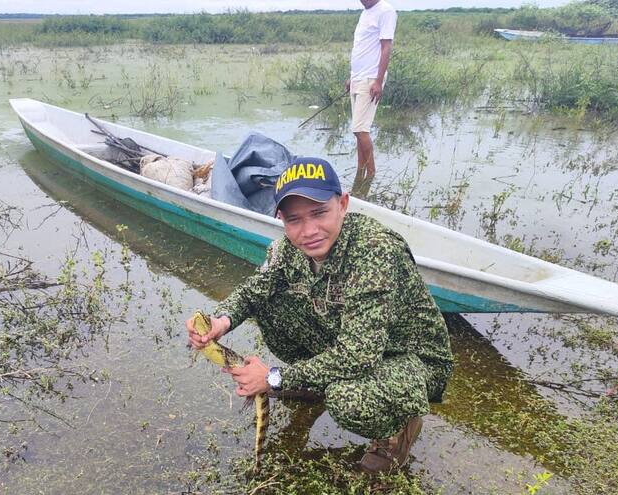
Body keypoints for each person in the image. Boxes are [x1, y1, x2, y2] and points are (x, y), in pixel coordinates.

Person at [186, 156, 453, 475]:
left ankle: (398, 427)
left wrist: (273, 377)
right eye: (294, 219)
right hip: (355, 342)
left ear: (342, 204)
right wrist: (221, 321)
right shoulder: (289, 248)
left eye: (319, 213)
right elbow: (257, 287)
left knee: (346, 399)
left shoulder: (375, 249)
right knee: (270, 301)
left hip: (411, 360)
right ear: (281, 219)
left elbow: (358, 355)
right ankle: (314, 381)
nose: (308, 231)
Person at [346, 0, 397, 196]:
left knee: (360, 128)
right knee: (357, 131)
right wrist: (352, 77)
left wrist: (378, 81)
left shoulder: (385, 11)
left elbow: (386, 47)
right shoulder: (365, 13)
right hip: (358, 78)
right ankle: (360, 170)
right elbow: (362, 48)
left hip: (370, 79)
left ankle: (371, 174)